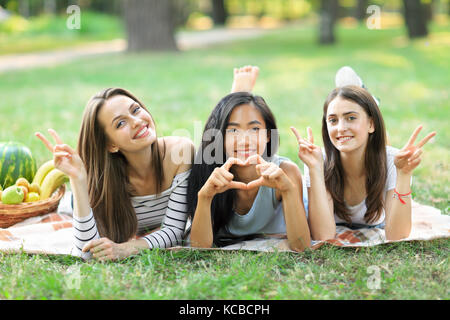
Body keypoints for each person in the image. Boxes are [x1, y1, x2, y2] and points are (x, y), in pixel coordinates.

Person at [36, 88, 194, 261]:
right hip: (80, 199)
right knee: (70, 204)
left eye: (135, 110)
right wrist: (78, 179)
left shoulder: (181, 153)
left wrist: (126, 248)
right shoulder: (99, 179)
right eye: (120, 123)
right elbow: (87, 252)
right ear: (111, 145)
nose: (136, 121)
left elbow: (174, 231)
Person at [291, 71, 436, 241]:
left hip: (379, 151)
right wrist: (314, 169)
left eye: (350, 118)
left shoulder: (394, 161)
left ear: (372, 123)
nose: (340, 128)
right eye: (333, 120)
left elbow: (397, 235)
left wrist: (403, 175)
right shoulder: (317, 160)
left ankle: (366, 99)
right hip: (333, 162)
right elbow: (323, 236)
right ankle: (360, 98)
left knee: (381, 151)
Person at [187, 68, 311, 252]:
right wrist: (205, 197)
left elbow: (301, 246)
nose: (245, 140)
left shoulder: (286, 172)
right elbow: (199, 248)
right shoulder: (208, 171)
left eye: (254, 129)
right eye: (234, 130)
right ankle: (238, 95)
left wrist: (288, 190)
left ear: (269, 135)